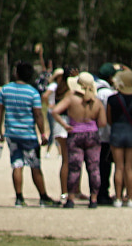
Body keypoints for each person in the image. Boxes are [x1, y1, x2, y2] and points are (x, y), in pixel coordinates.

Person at [0, 61, 52, 207]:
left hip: (12, 133)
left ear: (17, 73)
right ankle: (43, 196)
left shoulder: (5, 90)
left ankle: (19, 197)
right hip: (28, 134)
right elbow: (38, 115)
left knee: (17, 164)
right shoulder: (32, 93)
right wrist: (43, 134)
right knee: (35, 165)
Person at [53, 72, 108, 208]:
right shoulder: (97, 102)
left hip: (75, 133)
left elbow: (54, 111)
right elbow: (102, 123)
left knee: (74, 167)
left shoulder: (71, 99)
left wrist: (65, 125)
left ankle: (71, 198)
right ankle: (93, 199)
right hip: (92, 136)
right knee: (94, 168)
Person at [108, 70, 132, 209]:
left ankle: (117, 198)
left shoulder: (113, 99)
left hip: (117, 131)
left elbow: (109, 119)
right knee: (130, 168)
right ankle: (130, 198)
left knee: (119, 167)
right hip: (131, 132)